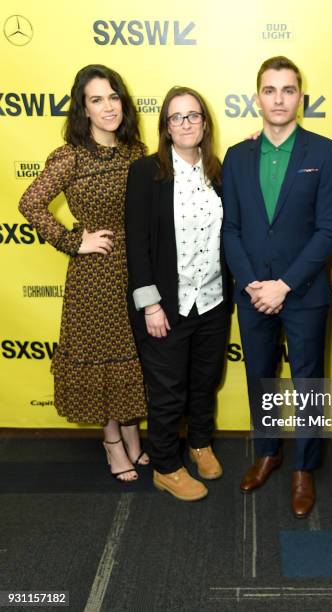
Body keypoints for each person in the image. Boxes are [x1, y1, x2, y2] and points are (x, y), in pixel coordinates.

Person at [222, 56, 332, 518]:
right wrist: (254, 283)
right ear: (257, 98)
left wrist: (286, 285)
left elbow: (328, 230)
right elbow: (230, 229)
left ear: (301, 98)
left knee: (308, 382)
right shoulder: (238, 156)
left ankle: (304, 466)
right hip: (252, 291)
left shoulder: (324, 152)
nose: (279, 99)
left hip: (305, 292)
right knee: (262, 378)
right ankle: (269, 452)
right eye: (270, 90)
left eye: (288, 90)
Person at [18, 64, 149, 482]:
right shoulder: (70, 156)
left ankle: (131, 427)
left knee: (131, 353)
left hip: (135, 269)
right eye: (97, 99)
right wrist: (76, 241)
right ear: (84, 109)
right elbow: (30, 203)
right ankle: (112, 441)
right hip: (94, 277)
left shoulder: (135, 150)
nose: (108, 107)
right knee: (98, 358)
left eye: (114, 97)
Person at [125, 86, 230, 502]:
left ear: (205, 122)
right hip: (166, 306)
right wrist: (149, 303)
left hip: (213, 301)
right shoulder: (146, 172)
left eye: (193, 115)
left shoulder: (218, 172)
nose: (186, 123)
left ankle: (199, 444)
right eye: (176, 117)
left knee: (205, 382)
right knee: (168, 392)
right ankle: (166, 466)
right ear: (165, 127)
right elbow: (137, 242)